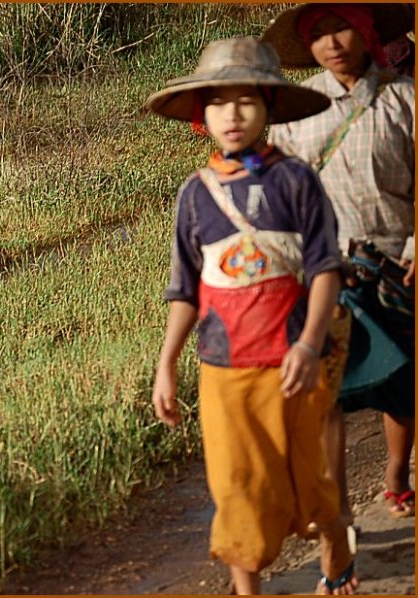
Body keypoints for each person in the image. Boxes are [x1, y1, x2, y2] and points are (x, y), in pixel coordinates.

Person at [146, 37, 357, 595]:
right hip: (224, 368)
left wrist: (310, 345)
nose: (232, 115)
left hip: (292, 365)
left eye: (245, 101)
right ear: (202, 115)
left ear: (267, 106)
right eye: (218, 103)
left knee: (309, 487)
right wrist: (167, 363)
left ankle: (334, 541)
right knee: (235, 488)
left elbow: (325, 270)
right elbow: (185, 290)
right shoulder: (194, 196)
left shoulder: (295, 183)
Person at [263, 3, 415, 524]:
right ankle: (338, 508)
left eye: (342, 27)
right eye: (319, 34)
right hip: (327, 272)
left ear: (367, 31)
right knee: (326, 391)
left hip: (399, 264)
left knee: (404, 386)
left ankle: (396, 473)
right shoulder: (295, 113)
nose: (332, 42)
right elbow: (281, 198)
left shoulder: (406, 99)